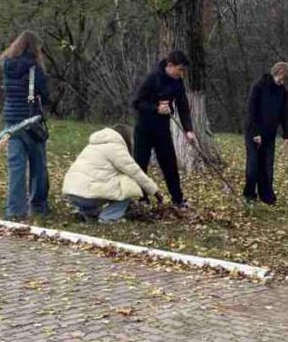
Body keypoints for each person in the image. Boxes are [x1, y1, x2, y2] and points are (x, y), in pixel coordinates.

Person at [133, 50, 196, 209]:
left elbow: (183, 107)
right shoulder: (153, 78)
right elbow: (137, 102)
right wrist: (156, 108)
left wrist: (188, 130)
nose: (182, 73)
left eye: (183, 71)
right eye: (180, 69)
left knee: (169, 164)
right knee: (141, 163)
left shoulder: (178, 82)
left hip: (162, 129)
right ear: (170, 66)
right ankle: (142, 198)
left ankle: (177, 199)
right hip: (144, 128)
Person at [62, 123, 161, 224]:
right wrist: (154, 191)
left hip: (72, 193)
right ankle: (108, 218)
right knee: (127, 190)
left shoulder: (93, 145)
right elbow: (136, 172)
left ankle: (86, 212)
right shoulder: (116, 148)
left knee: (98, 181)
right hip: (87, 196)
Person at [0, 30, 50, 220]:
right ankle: (38, 205)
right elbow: (45, 95)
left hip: (11, 121)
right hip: (30, 121)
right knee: (38, 165)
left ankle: (15, 210)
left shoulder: (7, 65)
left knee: (16, 167)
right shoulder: (34, 68)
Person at [243, 62, 288, 205]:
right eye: (280, 78)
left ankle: (266, 195)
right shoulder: (259, 86)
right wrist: (256, 133)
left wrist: (286, 134)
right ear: (275, 73)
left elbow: (284, 113)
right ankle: (249, 194)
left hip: (270, 134)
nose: (281, 82)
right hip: (254, 131)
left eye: (284, 81)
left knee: (267, 167)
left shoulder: (283, 92)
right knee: (253, 166)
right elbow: (252, 110)